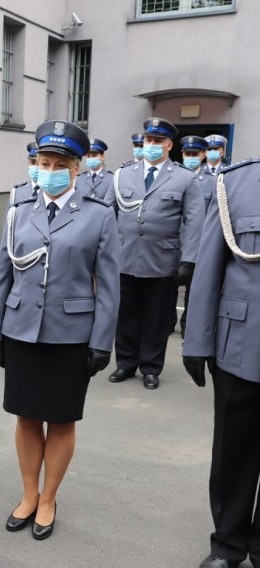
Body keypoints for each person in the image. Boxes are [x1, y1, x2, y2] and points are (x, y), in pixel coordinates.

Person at [0, 120, 119, 541]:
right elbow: (1, 275)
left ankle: (49, 499)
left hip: (71, 335)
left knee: (60, 421)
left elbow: (110, 286)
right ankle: (28, 494)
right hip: (21, 329)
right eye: (43, 162)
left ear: (76, 169)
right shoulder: (18, 210)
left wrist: (101, 342)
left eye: (59, 163)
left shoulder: (98, 216)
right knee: (26, 417)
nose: (49, 169)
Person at [183, 158, 260, 568]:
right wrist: (197, 341)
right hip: (242, 347)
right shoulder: (235, 184)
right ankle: (228, 545)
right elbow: (208, 268)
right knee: (233, 453)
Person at [104, 117, 204, 390]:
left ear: (169, 145)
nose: (151, 145)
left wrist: (189, 260)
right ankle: (125, 363)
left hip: (163, 260)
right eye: (148, 140)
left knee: (156, 317)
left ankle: (150, 367)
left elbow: (195, 221)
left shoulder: (184, 177)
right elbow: (106, 214)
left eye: (157, 141)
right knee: (125, 313)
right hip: (124, 258)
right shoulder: (124, 174)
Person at [177, 135, 215, 337]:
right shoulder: (173, 176)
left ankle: (188, 326)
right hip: (174, 243)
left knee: (194, 291)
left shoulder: (212, 182)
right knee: (168, 289)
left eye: (194, 154)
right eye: (187, 154)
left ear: (202, 155)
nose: (190, 157)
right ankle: (166, 324)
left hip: (200, 244)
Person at [8, 142, 40, 206]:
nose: (36, 166)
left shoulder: (53, 193)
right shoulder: (16, 192)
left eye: (40, 163)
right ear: (28, 162)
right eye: (33, 162)